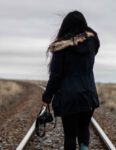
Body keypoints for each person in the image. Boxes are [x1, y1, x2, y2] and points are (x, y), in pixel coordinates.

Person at [42, 10, 100, 150]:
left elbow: (55, 76)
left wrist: (47, 96)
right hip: (88, 94)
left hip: (68, 98)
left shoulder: (60, 47)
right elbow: (95, 39)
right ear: (84, 26)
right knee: (84, 129)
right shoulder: (91, 43)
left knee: (70, 135)